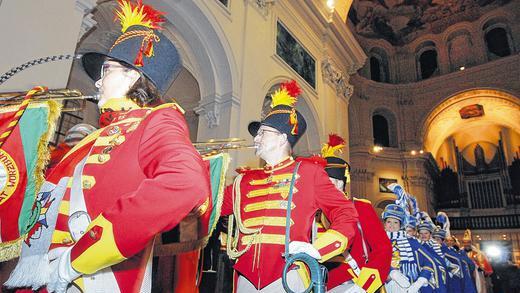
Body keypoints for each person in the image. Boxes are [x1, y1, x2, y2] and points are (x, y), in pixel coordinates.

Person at [5, 1, 211, 292]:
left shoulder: (157, 120)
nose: (99, 82)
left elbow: (186, 183)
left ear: (133, 76)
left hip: (91, 279)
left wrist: (73, 263)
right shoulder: (92, 139)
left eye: (107, 71)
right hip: (40, 275)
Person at [220, 80, 359, 292]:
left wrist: (319, 249)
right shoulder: (244, 180)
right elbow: (210, 207)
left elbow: (345, 212)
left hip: (288, 275)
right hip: (245, 279)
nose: (256, 138)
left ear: (282, 138)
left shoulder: (309, 173)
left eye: (262, 132)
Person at [316, 134, 392, 293]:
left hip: (356, 282)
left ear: (343, 184)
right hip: (320, 285)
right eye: (325, 183)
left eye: (334, 183)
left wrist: (363, 286)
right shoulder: (314, 214)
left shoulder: (360, 208)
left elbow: (382, 248)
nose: (329, 188)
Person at [433, 212, 477, 293]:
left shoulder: (453, 253)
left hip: (454, 283)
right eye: (434, 239)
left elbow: (467, 264)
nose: (435, 241)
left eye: (438, 239)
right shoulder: (431, 252)